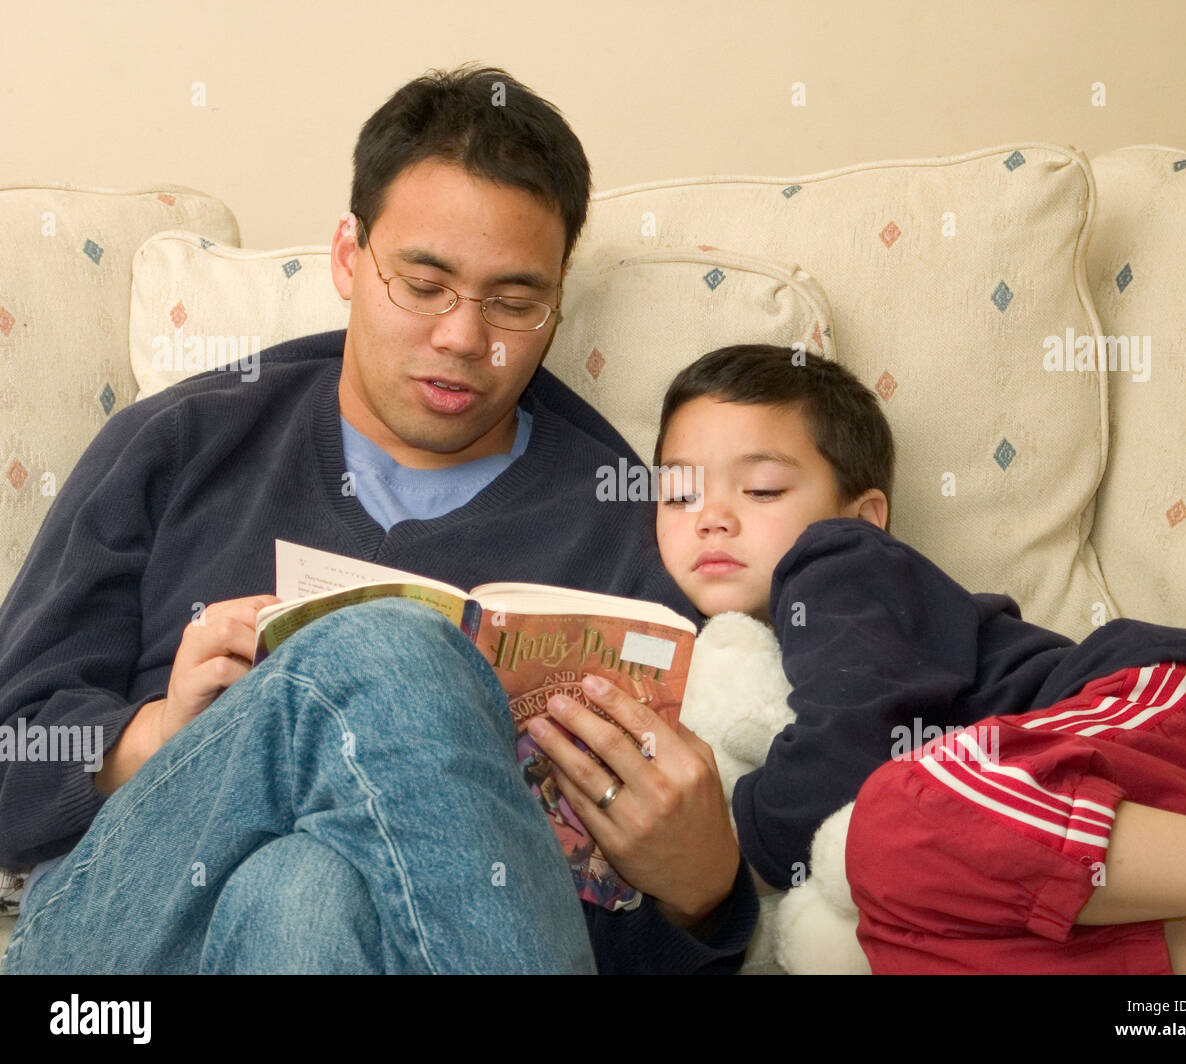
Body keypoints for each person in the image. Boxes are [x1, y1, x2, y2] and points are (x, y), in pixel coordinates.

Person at [0, 65, 754, 975]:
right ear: (350, 258)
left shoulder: (630, 522)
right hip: (113, 958)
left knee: (303, 892)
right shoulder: (177, 445)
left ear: (555, 308)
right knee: (388, 649)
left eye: (514, 304)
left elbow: (619, 922)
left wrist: (703, 888)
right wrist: (154, 737)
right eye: (424, 284)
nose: (464, 338)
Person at [643, 342, 1186, 974]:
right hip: (1154, 864)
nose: (711, 518)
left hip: (1154, 722)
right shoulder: (716, 648)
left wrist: (716, 850)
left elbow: (842, 757)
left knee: (891, 821)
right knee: (888, 936)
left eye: (760, 489)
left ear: (864, 516)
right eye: (678, 495)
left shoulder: (837, 561)